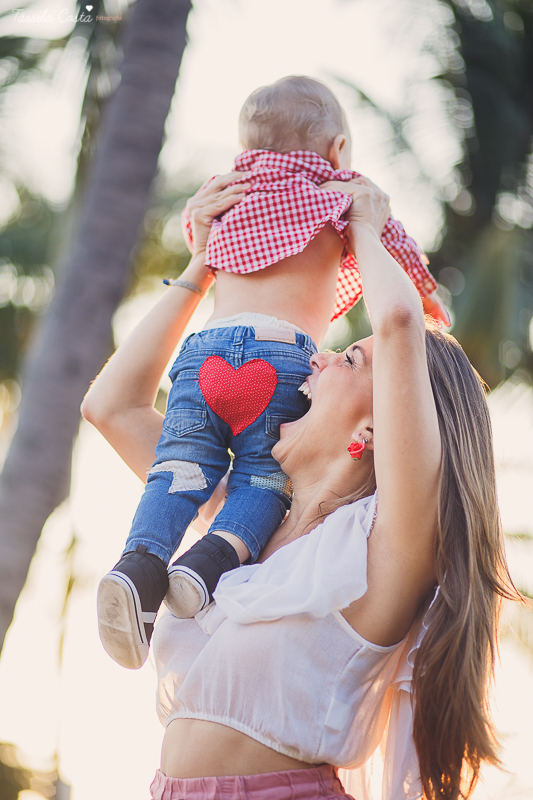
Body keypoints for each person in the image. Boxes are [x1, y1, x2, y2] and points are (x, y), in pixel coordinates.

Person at [82, 174, 518, 800]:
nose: (315, 358)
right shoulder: (246, 522)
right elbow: (110, 406)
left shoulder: (385, 547)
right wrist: (205, 266)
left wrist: (365, 222)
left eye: (347, 360)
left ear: (376, 425)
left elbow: (399, 322)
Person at [96, 75, 449, 670]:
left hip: (202, 352)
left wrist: (199, 261)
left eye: (349, 358)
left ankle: (140, 563)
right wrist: (430, 297)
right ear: (337, 149)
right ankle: (208, 562)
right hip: (276, 355)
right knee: (262, 480)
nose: (330, 358)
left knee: (179, 464)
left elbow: (201, 236)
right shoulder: (341, 193)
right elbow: (399, 272)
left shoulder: (225, 190)